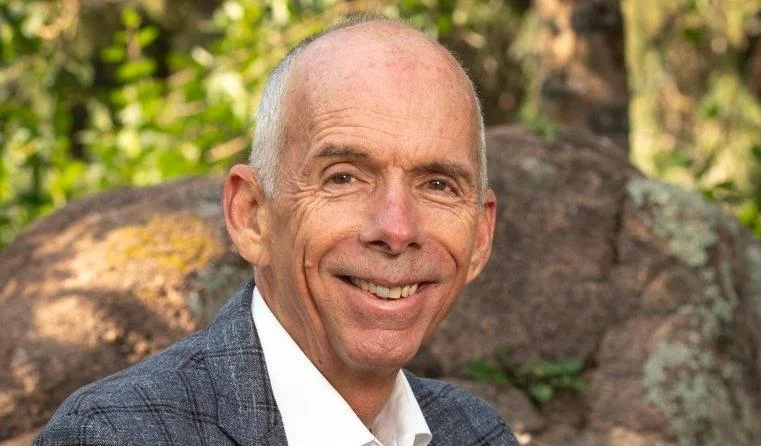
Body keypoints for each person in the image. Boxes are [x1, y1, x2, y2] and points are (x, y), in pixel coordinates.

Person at [36, 15, 514, 446]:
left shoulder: (475, 432)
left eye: (438, 185)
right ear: (252, 216)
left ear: (480, 235)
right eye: (343, 178)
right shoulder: (111, 434)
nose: (396, 228)